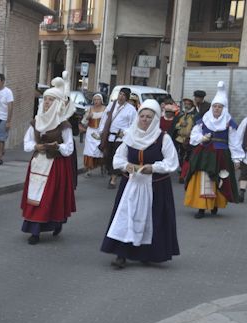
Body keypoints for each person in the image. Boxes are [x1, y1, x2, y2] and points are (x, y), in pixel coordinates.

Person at [101, 99, 179, 268]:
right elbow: (118, 158)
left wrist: (153, 167)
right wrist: (126, 165)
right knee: (126, 217)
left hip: (155, 186)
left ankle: (147, 253)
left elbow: (172, 162)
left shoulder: (163, 138)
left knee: (152, 219)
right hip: (132, 185)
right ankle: (121, 254)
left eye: (149, 117)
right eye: (142, 116)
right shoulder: (130, 136)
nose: (144, 119)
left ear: (156, 119)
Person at [21, 75, 76, 245]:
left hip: (56, 166)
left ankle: (53, 223)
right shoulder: (36, 121)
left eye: (51, 100)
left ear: (58, 103)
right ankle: (34, 230)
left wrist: (57, 147)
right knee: (35, 196)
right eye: (45, 100)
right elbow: (27, 142)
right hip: (38, 162)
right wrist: (35, 147)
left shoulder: (63, 125)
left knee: (50, 197)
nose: (47, 103)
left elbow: (69, 148)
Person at [185, 81, 245, 218]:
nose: (216, 109)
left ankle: (215, 205)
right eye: (214, 106)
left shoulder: (229, 122)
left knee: (220, 179)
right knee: (202, 179)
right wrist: (202, 138)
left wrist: (236, 159)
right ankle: (201, 208)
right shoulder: (204, 120)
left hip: (221, 155)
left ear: (224, 109)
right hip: (204, 154)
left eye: (219, 107)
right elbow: (194, 134)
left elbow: (235, 141)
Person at [98, 87, 137, 189]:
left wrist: (124, 132)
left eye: (124, 95)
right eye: (120, 94)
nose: (121, 96)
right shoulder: (111, 105)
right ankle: (112, 173)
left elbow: (134, 125)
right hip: (108, 136)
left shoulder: (131, 110)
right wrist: (101, 131)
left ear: (127, 98)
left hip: (120, 138)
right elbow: (104, 119)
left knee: (117, 157)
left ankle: (113, 179)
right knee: (108, 157)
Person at [80, 93, 106, 176]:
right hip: (90, 131)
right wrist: (88, 117)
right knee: (89, 150)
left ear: (101, 101)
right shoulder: (90, 109)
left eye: (98, 99)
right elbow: (83, 122)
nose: (96, 101)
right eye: (95, 99)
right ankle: (89, 169)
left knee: (99, 150)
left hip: (100, 131)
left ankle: (101, 166)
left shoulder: (105, 109)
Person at [174, 98, 198, 184]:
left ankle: (183, 175)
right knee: (180, 156)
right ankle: (183, 169)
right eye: (185, 104)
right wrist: (180, 124)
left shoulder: (195, 115)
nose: (186, 105)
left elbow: (197, 127)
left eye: (188, 104)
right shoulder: (181, 114)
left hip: (189, 140)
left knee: (187, 157)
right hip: (180, 139)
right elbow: (175, 126)